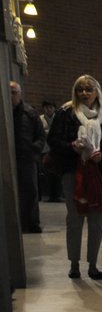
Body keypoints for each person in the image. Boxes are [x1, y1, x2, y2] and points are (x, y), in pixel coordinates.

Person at [47, 74, 102, 281]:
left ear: (97, 91)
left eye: (88, 89)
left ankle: (93, 265)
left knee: (97, 219)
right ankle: (74, 264)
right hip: (73, 171)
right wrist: (72, 147)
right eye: (80, 89)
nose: (84, 93)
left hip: (100, 172)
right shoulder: (65, 112)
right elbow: (53, 140)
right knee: (75, 218)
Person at [10, 80, 42, 232]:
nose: (11, 96)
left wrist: (32, 150)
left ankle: (31, 223)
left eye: (13, 93)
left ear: (20, 94)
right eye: (8, 92)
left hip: (27, 159)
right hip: (9, 160)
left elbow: (41, 137)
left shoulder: (30, 113)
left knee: (30, 192)